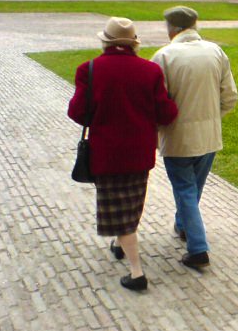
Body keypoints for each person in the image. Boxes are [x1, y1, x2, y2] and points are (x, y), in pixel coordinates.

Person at [68, 17, 178, 291]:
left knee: (118, 208)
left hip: (106, 154)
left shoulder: (89, 69)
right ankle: (120, 243)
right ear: (133, 43)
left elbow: (77, 112)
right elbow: (166, 113)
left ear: (106, 42)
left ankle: (137, 272)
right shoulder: (150, 71)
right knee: (131, 203)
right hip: (139, 153)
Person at [151, 6, 238, 270]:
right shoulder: (215, 52)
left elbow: (158, 103)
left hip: (179, 138)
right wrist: (212, 117)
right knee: (192, 189)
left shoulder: (163, 56)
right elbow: (230, 97)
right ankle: (183, 225)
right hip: (209, 136)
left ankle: (198, 248)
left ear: (172, 28)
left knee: (185, 190)